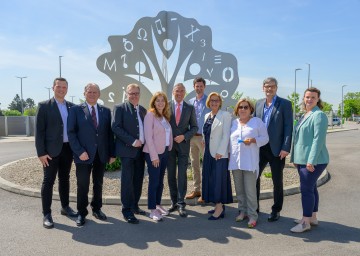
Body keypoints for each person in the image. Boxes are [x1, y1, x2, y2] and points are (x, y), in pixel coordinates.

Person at [67, 83, 115, 226]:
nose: (92, 94)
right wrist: (79, 151)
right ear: (84, 93)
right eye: (89, 91)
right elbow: (71, 133)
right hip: (83, 155)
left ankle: (97, 208)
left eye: (95, 92)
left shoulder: (106, 111)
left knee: (98, 183)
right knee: (83, 185)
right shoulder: (75, 110)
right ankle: (81, 212)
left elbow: (109, 135)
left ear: (99, 94)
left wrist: (112, 154)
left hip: (101, 154)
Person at [35, 77, 77, 229]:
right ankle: (46, 213)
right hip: (50, 152)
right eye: (58, 87)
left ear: (67, 89)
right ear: (53, 88)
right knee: (48, 181)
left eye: (64, 87)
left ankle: (65, 207)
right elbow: (39, 132)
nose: (61, 89)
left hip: (67, 149)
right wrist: (41, 153)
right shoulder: (44, 106)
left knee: (65, 179)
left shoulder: (73, 107)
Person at [253, 77, 293, 222]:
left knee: (277, 181)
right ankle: (254, 208)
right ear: (263, 87)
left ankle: (276, 210)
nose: (269, 89)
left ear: (276, 88)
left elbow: (289, 127)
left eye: (272, 86)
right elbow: (254, 125)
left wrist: (286, 147)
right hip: (260, 148)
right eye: (267, 86)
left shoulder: (285, 104)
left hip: (277, 150)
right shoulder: (258, 104)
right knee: (254, 178)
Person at [290, 87, 329, 233]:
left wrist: (310, 161)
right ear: (304, 98)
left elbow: (317, 140)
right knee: (311, 187)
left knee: (306, 189)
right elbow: (298, 139)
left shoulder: (319, 115)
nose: (309, 99)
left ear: (318, 99)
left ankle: (305, 222)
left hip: (314, 160)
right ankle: (312, 217)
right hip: (302, 159)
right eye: (307, 97)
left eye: (313, 97)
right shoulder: (305, 114)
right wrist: (295, 157)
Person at [229, 99, 269, 228]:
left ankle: (252, 215)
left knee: (250, 191)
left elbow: (265, 138)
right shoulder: (234, 123)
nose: (243, 109)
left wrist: (253, 140)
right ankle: (242, 211)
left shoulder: (257, 122)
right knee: (239, 190)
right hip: (236, 162)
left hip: (250, 162)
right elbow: (230, 142)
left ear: (250, 109)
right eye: (240, 107)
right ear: (237, 109)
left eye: (246, 107)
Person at [112, 83, 147, 224]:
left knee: (138, 179)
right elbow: (115, 127)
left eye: (136, 93)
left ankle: (135, 206)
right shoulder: (119, 108)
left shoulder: (143, 110)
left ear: (139, 94)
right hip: (127, 151)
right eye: (131, 93)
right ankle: (126, 210)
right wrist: (132, 141)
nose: (134, 96)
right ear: (127, 94)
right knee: (127, 181)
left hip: (141, 152)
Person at [167, 83, 198, 217]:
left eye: (181, 91)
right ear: (173, 92)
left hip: (183, 146)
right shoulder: (166, 105)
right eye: (177, 91)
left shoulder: (190, 108)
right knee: (171, 174)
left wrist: (184, 136)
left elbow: (195, 127)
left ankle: (181, 203)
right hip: (169, 146)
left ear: (185, 93)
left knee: (182, 175)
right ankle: (173, 202)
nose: (179, 93)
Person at [202, 92, 233, 220]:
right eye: (212, 100)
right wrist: (204, 140)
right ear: (208, 102)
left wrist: (221, 150)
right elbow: (206, 132)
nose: (214, 102)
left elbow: (226, 134)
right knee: (210, 179)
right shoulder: (206, 115)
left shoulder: (225, 115)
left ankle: (220, 207)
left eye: (216, 100)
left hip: (219, 154)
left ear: (220, 102)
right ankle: (217, 205)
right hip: (208, 152)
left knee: (218, 180)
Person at [143, 92, 173, 221]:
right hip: (153, 153)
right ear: (153, 102)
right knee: (154, 181)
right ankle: (152, 209)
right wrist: (154, 156)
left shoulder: (164, 116)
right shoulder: (150, 115)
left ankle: (158, 204)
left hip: (165, 151)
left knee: (160, 181)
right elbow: (148, 137)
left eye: (163, 101)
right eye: (158, 100)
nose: (160, 103)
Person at [186, 77, 210, 203]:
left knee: (206, 165)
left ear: (204, 87)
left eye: (201, 86)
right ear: (194, 87)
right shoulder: (190, 102)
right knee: (194, 164)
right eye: (197, 86)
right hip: (192, 137)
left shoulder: (209, 101)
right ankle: (197, 190)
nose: (199, 88)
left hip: (204, 138)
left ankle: (206, 192)